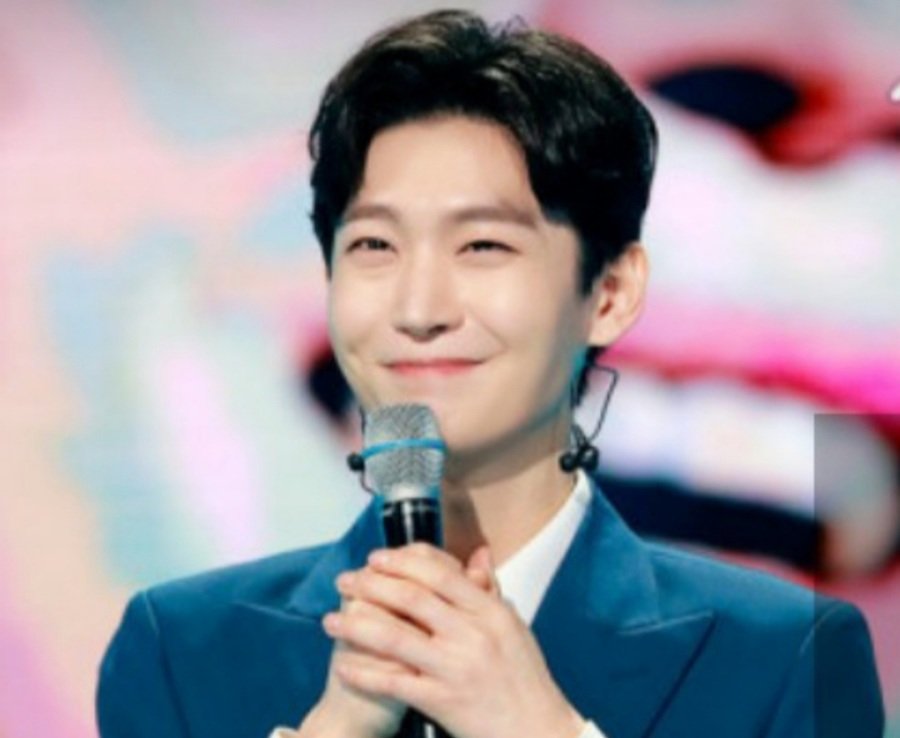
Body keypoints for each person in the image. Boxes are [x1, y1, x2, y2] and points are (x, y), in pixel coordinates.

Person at [95, 9, 885, 738]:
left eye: (482, 246)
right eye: (374, 246)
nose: (419, 307)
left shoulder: (790, 660)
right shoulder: (181, 652)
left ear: (610, 294)